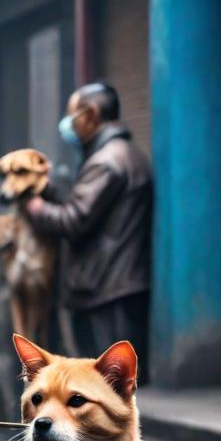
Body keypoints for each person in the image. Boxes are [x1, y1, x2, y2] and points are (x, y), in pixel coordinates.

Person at [25, 83, 152, 375]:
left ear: (92, 114)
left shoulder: (106, 161)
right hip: (117, 284)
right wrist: (52, 192)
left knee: (105, 384)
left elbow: (75, 219)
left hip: (107, 289)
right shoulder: (125, 154)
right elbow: (87, 207)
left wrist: (34, 207)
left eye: (73, 116)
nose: (68, 125)